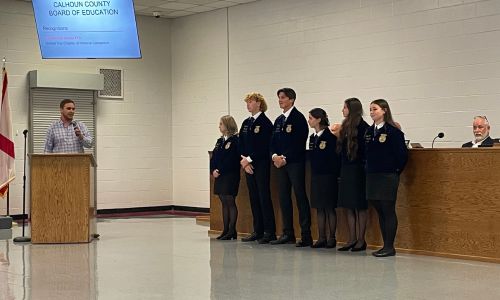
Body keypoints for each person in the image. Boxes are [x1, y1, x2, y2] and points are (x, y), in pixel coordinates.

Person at [365, 99, 408, 257]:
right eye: (370, 109)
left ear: (384, 110)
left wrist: (395, 171)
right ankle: (385, 245)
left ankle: (390, 246)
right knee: (379, 210)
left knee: (388, 209)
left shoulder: (393, 131)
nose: (371, 112)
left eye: (374, 109)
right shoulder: (369, 132)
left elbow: (402, 155)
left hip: (387, 176)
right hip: (372, 175)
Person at [270, 88, 312, 247]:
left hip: (294, 163)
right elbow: (272, 142)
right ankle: (288, 233)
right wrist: (274, 156)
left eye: (283, 98)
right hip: (279, 164)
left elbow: (299, 142)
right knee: (283, 197)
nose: (280, 100)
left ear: (292, 100)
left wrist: (285, 158)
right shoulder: (279, 120)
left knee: (300, 196)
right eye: (279, 98)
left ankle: (306, 235)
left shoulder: (298, 118)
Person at [239, 92, 277, 244]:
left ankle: (269, 231)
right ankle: (258, 230)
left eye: (251, 102)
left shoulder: (265, 123)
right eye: (247, 102)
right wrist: (244, 161)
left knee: (263, 197)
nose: (248, 105)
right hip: (248, 165)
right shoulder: (246, 123)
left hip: (260, 164)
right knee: (253, 197)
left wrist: (249, 159)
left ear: (259, 104)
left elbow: (264, 146)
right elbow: (241, 142)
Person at [336, 98, 370, 252]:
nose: (342, 110)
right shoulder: (344, 126)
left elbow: (365, 151)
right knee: (348, 206)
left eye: (344, 107)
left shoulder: (363, 127)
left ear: (352, 109)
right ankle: (351, 238)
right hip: (346, 169)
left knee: (359, 206)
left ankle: (361, 240)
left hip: (358, 170)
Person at [307, 108, 340, 249]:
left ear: (319, 119)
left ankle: (332, 238)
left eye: (311, 118)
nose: (309, 121)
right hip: (316, 176)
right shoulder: (313, 138)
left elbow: (334, 158)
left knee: (329, 208)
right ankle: (321, 237)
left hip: (328, 176)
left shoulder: (330, 137)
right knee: (319, 208)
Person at [210, 115, 241, 240]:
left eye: (221, 124)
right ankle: (225, 229)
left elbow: (232, 159)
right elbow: (214, 157)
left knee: (230, 201)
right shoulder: (219, 141)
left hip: (230, 175)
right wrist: (213, 170)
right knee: (223, 201)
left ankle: (232, 230)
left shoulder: (235, 140)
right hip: (220, 175)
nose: (219, 126)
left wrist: (221, 169)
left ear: (228, 125)